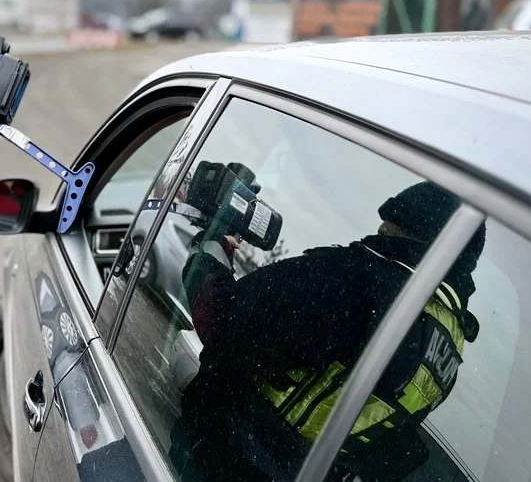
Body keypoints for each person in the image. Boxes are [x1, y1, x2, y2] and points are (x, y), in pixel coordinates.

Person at [169, 178, 485, 482]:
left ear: (412, 235)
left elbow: (222, 318)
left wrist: (207, 249)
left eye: (390, 226)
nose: (379, 231)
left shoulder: (358, 281)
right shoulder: (448, 345)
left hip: (223, 461)